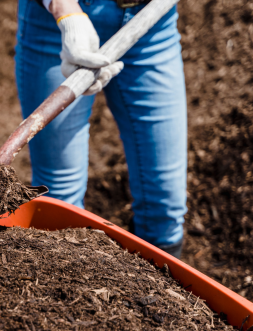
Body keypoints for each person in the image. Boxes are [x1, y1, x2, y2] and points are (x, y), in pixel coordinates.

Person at [16, 0, 186, 258]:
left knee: (164, 205)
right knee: (60, 199)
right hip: (59, 24)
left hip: (153, 21)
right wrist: (66, 13)